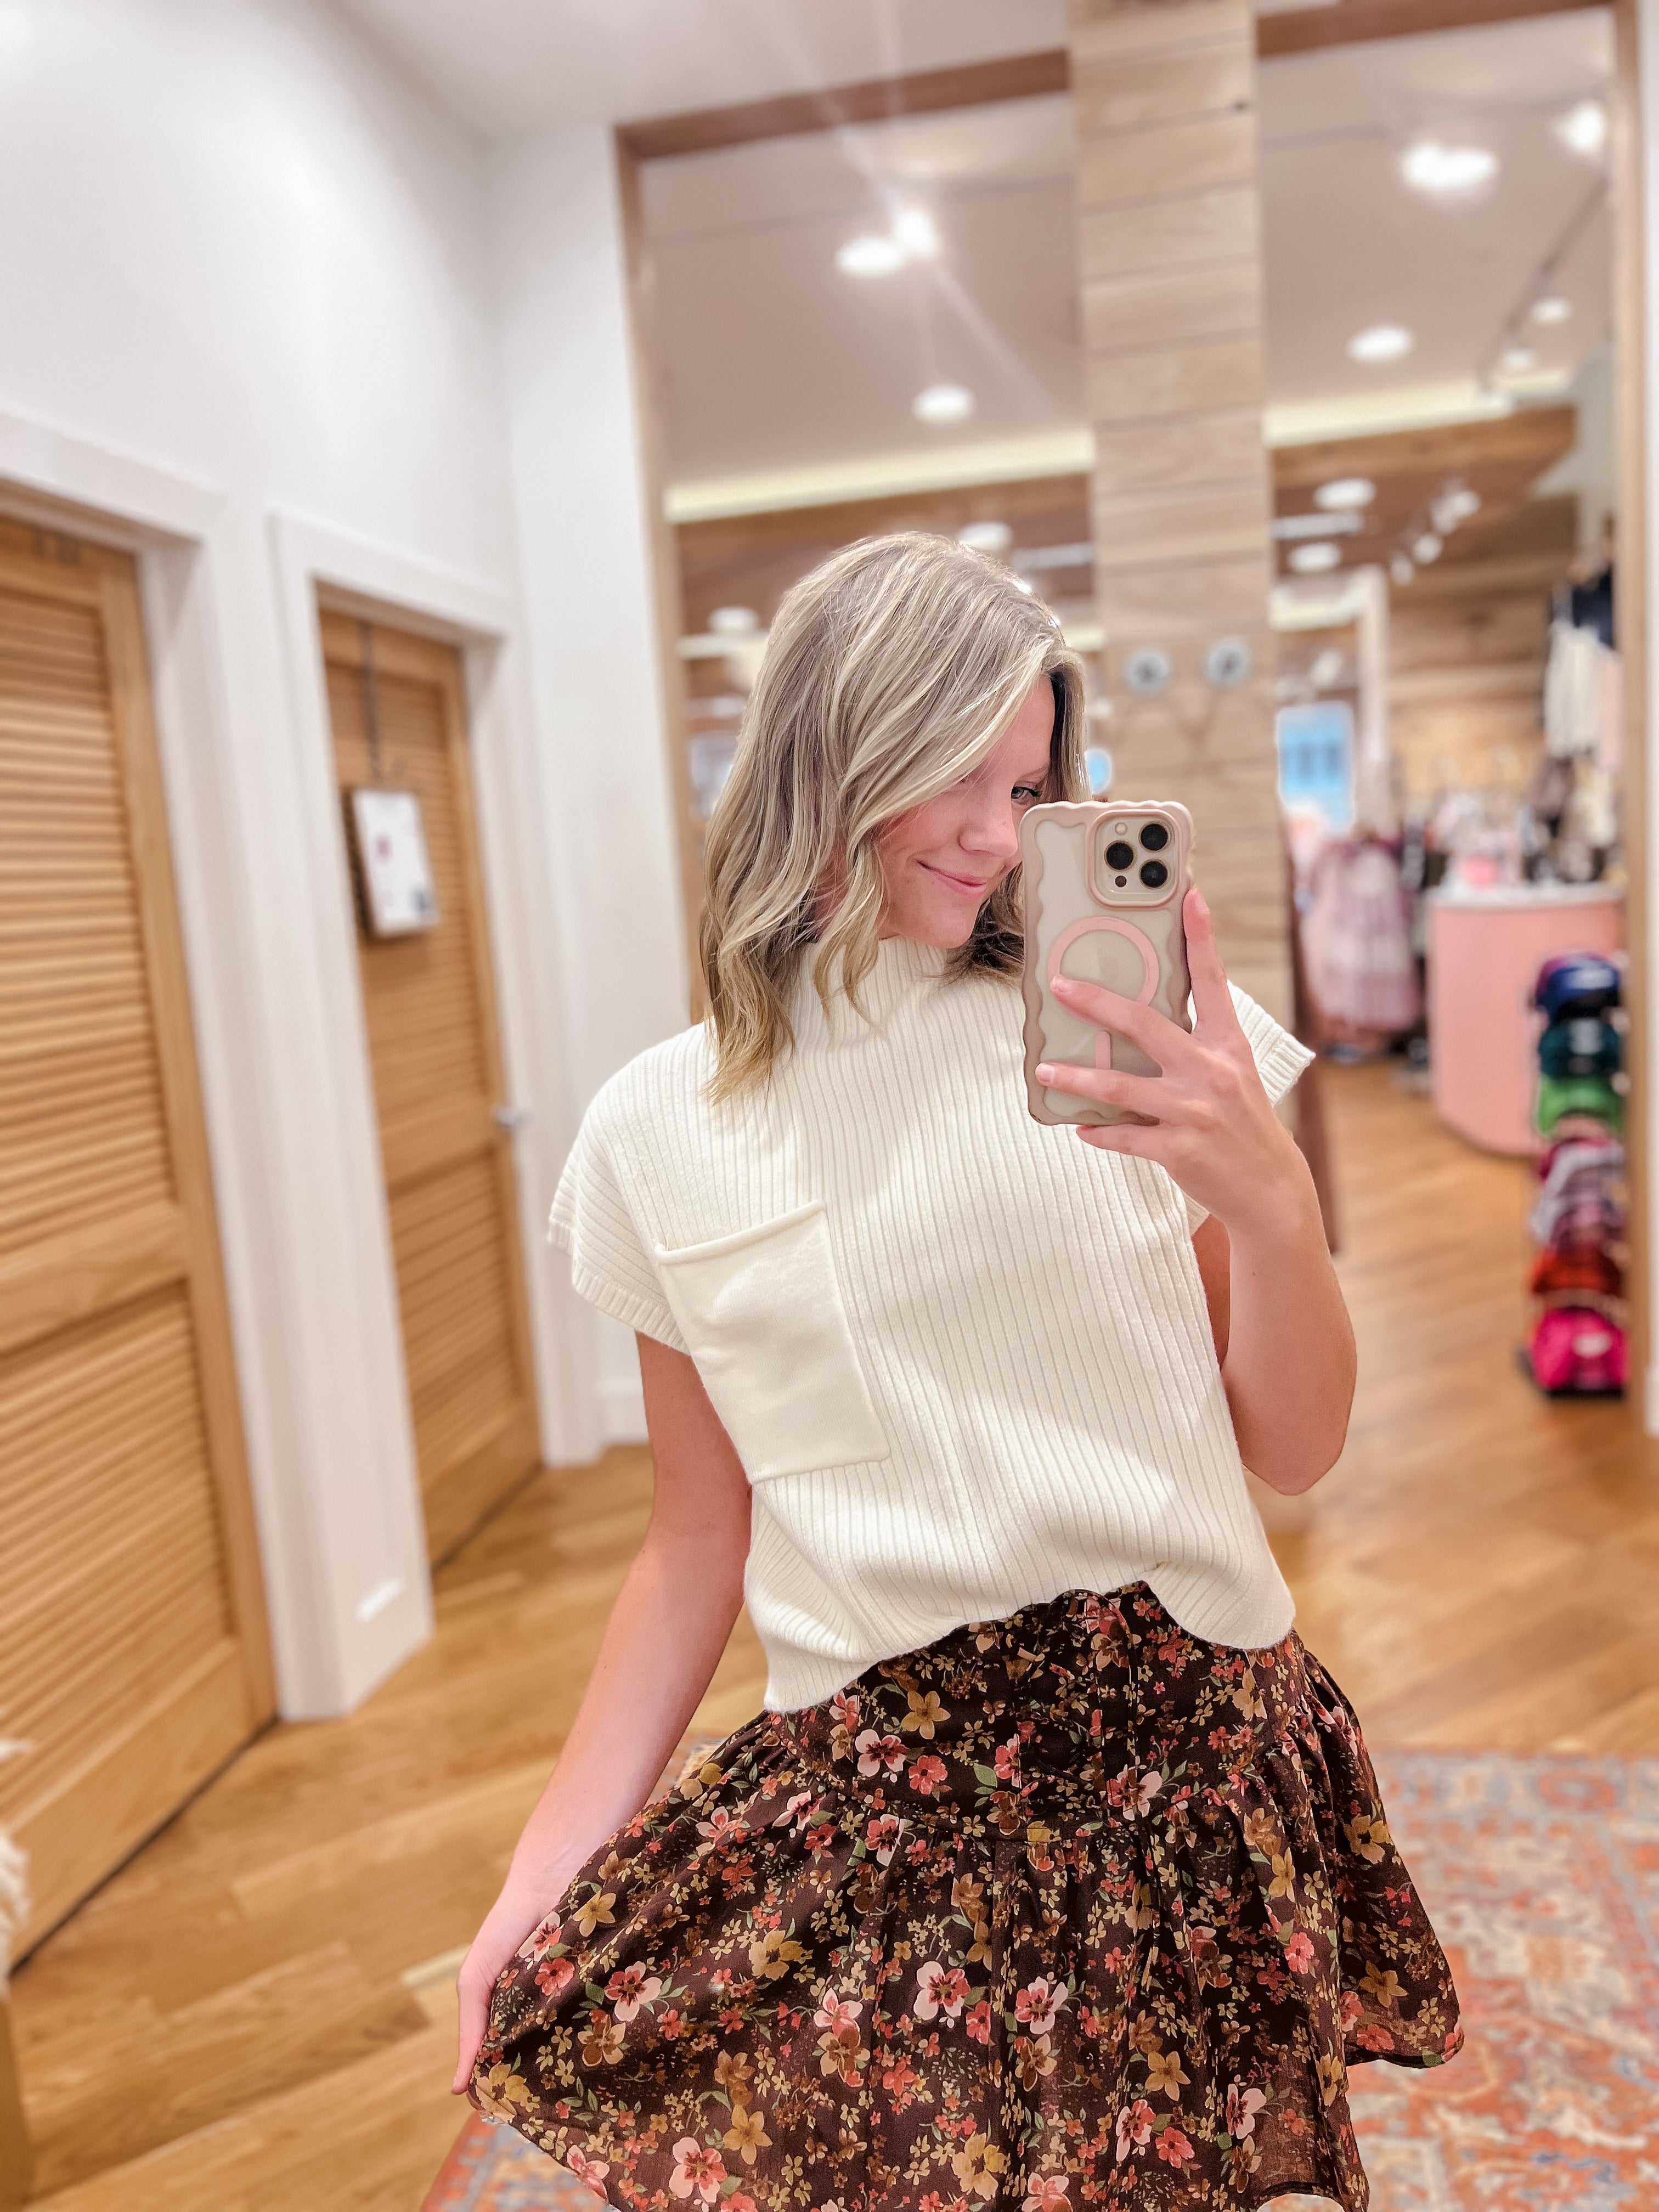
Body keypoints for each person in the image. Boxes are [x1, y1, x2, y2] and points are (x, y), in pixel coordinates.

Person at [454, 534, 1460, 2209]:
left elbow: (1295, 1444)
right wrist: (538, 1868)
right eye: (957, 777)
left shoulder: (1134, 1043)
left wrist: (1273, 1205)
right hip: (887, 1827)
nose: (1001, 836)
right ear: (829, 751)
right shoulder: (658, 1130)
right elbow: (693, 1541)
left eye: (1032, 785)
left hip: (1191, 1779)